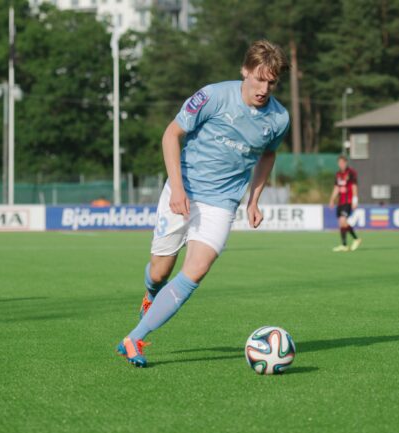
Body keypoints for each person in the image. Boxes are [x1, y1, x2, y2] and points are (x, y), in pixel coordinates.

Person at [116, 40, 290, 367]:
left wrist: (254, 199)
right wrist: (178, 189)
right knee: (159, 271)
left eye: (271, 82)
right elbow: (171, 134)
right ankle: (151, 293)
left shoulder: (278, 118)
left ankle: (133, 338)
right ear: (245, 71)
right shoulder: (212, 96)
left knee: (195, 271)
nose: (264, 88)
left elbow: (268, 155)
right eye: (259, 78)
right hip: (184, 190)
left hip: (221, 203)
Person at [329, 155, 361, 252]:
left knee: (343, 220)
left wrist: (355, 200)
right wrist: (332, 199)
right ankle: (344, 245)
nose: (341, 164)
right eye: (339, 163)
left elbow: (354, 186)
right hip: (340, 202)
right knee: (341, 223)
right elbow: (336, 188)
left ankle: (356, 239)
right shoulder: (338, 174)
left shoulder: (351, 173)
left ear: (346, 162)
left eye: (343, 162)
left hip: (348, 201)